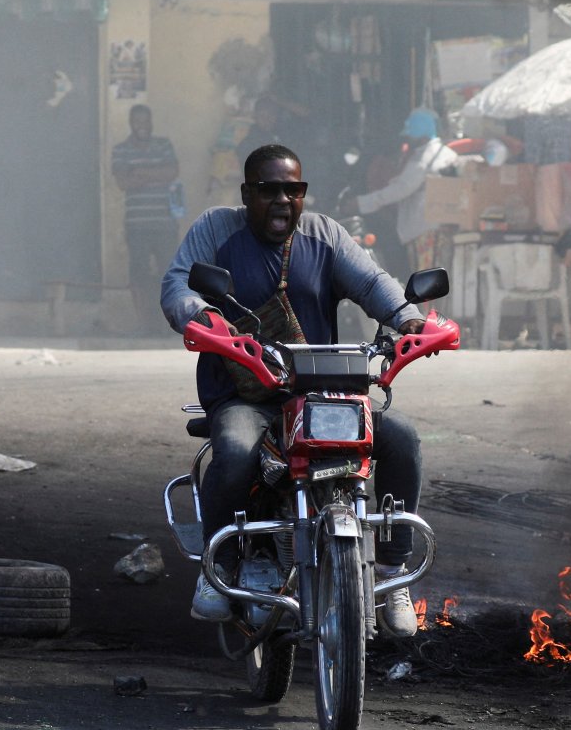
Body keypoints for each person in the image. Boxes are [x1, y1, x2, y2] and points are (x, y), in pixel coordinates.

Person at [160, 143, 427, 637]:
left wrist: (409, 319)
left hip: (318, 392)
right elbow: (178, 285)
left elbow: (371, 283)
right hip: (244, 393)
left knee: (402, 440)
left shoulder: (324, 234)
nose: (282, 200)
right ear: (246, 193)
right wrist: (201, 316)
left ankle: (392, 569)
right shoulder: (217, 229)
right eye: (269, 190)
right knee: (237, 452)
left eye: (293, 190)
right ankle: (220, 568)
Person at [342, 108, 462, 276]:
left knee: (426, 281)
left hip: (425, 231)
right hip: (439, 228)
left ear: (421, 134)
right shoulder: (445, 153)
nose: (406, 138)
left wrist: (361, 203)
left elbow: (401, 189)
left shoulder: (425, 157)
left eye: (410, 134)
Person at [111, 105, 180, 332]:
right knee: (139, 274)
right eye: (137, 121)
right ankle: (145, 325)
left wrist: (139, 173)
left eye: (146, 121)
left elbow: (171, 172)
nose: (142, 126)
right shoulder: (120, 150)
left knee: (168, 274)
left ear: (151, 122)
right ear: (131, 123)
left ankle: (167, 324)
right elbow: (123, 183)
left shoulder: (164, 145)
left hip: (165, 223)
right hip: (136, 225)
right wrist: (155, 174)